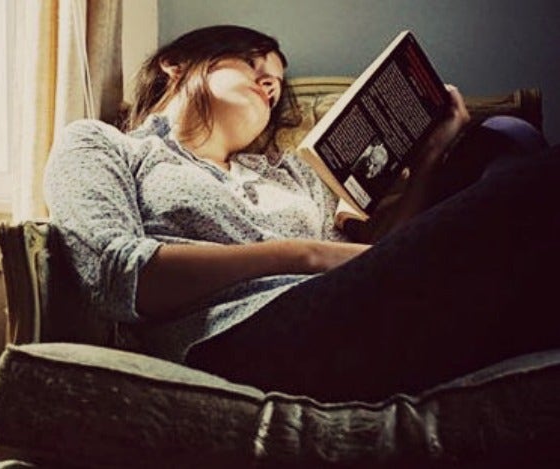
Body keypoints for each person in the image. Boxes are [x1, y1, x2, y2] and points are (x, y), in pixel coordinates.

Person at [43, 25, 559, 401]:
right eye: (252, 63)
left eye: (276, 82)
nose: (269, 82)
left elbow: (373, 263)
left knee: (505, 139)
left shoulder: (294, 173)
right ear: (175, 66)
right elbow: (116, 274)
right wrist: (303, 254)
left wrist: (429, 157)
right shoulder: (106, 146)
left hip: (349, 315)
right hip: (234, 338)